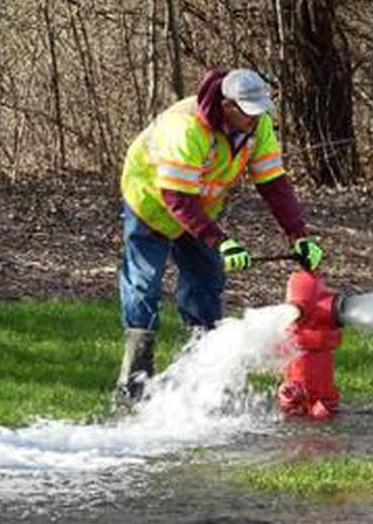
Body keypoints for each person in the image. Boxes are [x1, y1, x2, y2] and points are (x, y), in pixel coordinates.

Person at [115, 68, 324, 406]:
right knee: (144, 285)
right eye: (249, 112)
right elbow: (176, 199)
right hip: (151, 202)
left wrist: (297, 235)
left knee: (207, 281)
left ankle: (204, 377)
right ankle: (134, 382)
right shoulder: (186, 128)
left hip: (199, 208)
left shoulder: (258, 127)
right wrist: (221, 241)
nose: (257, 119)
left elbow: (273, 183)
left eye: (261, 111)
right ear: (227, 106)